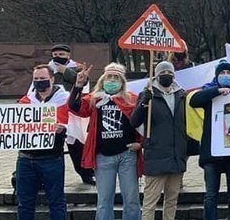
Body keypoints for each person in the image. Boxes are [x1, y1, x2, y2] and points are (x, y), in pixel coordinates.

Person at [68, 63, 142, 220]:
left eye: (116, 77)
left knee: (131, 199)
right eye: (109, 77)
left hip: (127, 155)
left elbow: (143, 123)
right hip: (103, 156)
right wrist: (78, 85)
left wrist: (141, 144)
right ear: (103, 79)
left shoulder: (131, 99)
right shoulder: (95, 99)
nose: (112, 80)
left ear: (122, 81)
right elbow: (74, 106)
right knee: (104, 200)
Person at [189, 61, 230, 220]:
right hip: (212, 153)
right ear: (216, 76)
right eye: (222, 73)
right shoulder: (209, 91)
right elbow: (194, 101)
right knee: (210, 195)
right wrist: (217, 91)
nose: (226, 75)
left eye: (229, 73)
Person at [130, 61, 188, 220]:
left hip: (176, 156)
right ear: (156, 76)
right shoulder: (148, 94)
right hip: (156, 155)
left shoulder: (181, 95)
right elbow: (134, 121)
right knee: (150, 202)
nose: (166, 75)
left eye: (169, 73)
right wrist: (144, 102)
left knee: (172, 200)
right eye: (162, 73)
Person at [16, 64, 69, 220]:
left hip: (51, 159)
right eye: (36, 79)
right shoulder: (25, 101)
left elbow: (75, 123)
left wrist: (63, 128)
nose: (39, 81)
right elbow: (15, 124)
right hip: (25, 159)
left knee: (56, 202)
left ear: (52, 79)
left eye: (43, 78)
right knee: (24, 204)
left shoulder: (64, 100)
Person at [47, 44, 95, 185]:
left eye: (61, 54)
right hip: (53, 113)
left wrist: (65, 71)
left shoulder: (78, 68)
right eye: (55, 55)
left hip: (72, 113)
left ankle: (86, 173)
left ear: (68, 56)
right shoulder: (48, 69)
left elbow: (81, 82)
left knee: (77, 146)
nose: (58, 57)